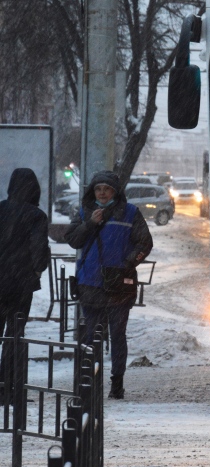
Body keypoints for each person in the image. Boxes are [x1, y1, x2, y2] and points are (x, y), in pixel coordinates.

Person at [65, 171, 153, 400]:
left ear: (115, 191)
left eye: (106, 189)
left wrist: (127, 263)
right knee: (90, 336)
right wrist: (91, 224)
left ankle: (117, 383)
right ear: (92, 192)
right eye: (98, 189)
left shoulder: (131, 212)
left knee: (117, 334)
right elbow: (73, 239)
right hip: (90, 283)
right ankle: (89, 382)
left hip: (119, 285)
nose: (102, 193)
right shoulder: (85, 212)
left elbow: (145, 242)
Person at [0, 168, 50, 404]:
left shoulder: (0, 210)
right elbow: (39, 251)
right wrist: (36, 269)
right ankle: (10, 388)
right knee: (15, 335)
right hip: (21, 284)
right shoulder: (36, 216)